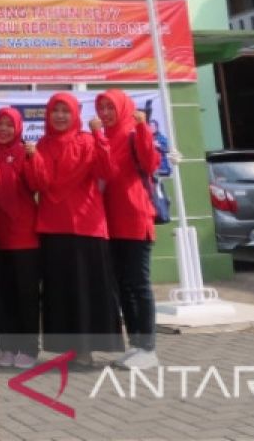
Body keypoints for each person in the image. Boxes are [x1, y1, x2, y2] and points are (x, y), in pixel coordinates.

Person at [25, 93, 123, 367]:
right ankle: (67, 349)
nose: (59, 116)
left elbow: (109, 171)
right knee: (60, 291)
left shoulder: (88, 140)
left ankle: (87, 350)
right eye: (54, 110)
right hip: (52, 226)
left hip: (86, 225)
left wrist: (99, 135)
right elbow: (37, 184)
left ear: (74, 114)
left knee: (86, 290)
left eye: (65, 111)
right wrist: (32, 159)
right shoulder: (41, 145)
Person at [96, 89, 162, 369]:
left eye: (111, 107)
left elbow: (151, 163)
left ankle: (148, 348)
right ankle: (136, 345)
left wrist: (144, 128)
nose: (107, 113)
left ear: (123, 107)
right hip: (110, 222)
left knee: (138, 284)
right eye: (102, 108)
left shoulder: (135, 132)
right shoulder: (103, 137)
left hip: (135, 218)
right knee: (122, 286)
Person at [0, 108, 42, 370]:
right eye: (0, 124)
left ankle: (29, 348)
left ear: (18, 128)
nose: (4, 129)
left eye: (10, 124)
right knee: (3, 296)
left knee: (26, 296)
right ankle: (7, 347)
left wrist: (33, 159)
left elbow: (36, 184)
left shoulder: (25, 152)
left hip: (24, 236)